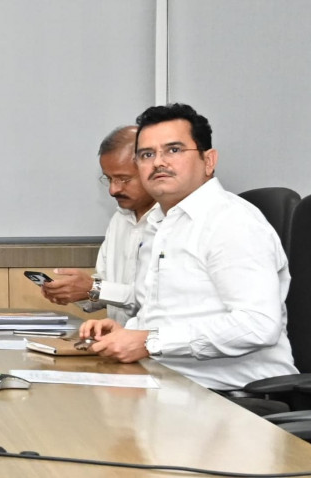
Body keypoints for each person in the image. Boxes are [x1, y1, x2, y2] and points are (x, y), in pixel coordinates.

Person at [80, 104, 297, 391]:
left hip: (232, 396)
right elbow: (165, 316)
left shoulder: (231, 221)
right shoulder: (158, 224)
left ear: (209, 160)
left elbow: (258, 325)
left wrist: (149, 341)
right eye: (147, 154)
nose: (158, 162)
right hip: (165, 382)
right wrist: (127, 333)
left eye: (173, 150)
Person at [42, 126, 155, 323]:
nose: (113, 190)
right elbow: (107, 288)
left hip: (154, 339)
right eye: (109, 179)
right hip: (117, 338)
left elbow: (157, 299)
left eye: (124, 179)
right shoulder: (119, 219)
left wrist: (95, 288)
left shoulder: (173, 220)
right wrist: (73, 291)